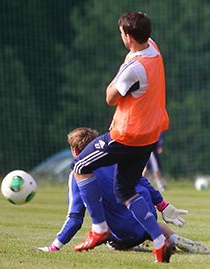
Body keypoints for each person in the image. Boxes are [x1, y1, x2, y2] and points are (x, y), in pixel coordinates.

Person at [71, 12, 171, 263]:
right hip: (148, 136)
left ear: (128, 37)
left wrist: (120, 78)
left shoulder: (133, 68)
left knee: (81, 166)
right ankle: (159, 242)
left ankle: (100, 228)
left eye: (121, 33)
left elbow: (110, 97)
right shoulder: (154, 49)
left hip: (127, 135)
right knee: (125, 190)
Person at [38, 128, 208, 254]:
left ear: (74, 152)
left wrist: (54, 246)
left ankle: (133, 243)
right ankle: (172, 238)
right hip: (146, 217)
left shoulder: (78, 174)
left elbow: (75, 218)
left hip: (122, 235)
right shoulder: (116, 160)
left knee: (104, 232)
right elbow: (143, 181)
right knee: (147, 220)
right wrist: (163, 205)